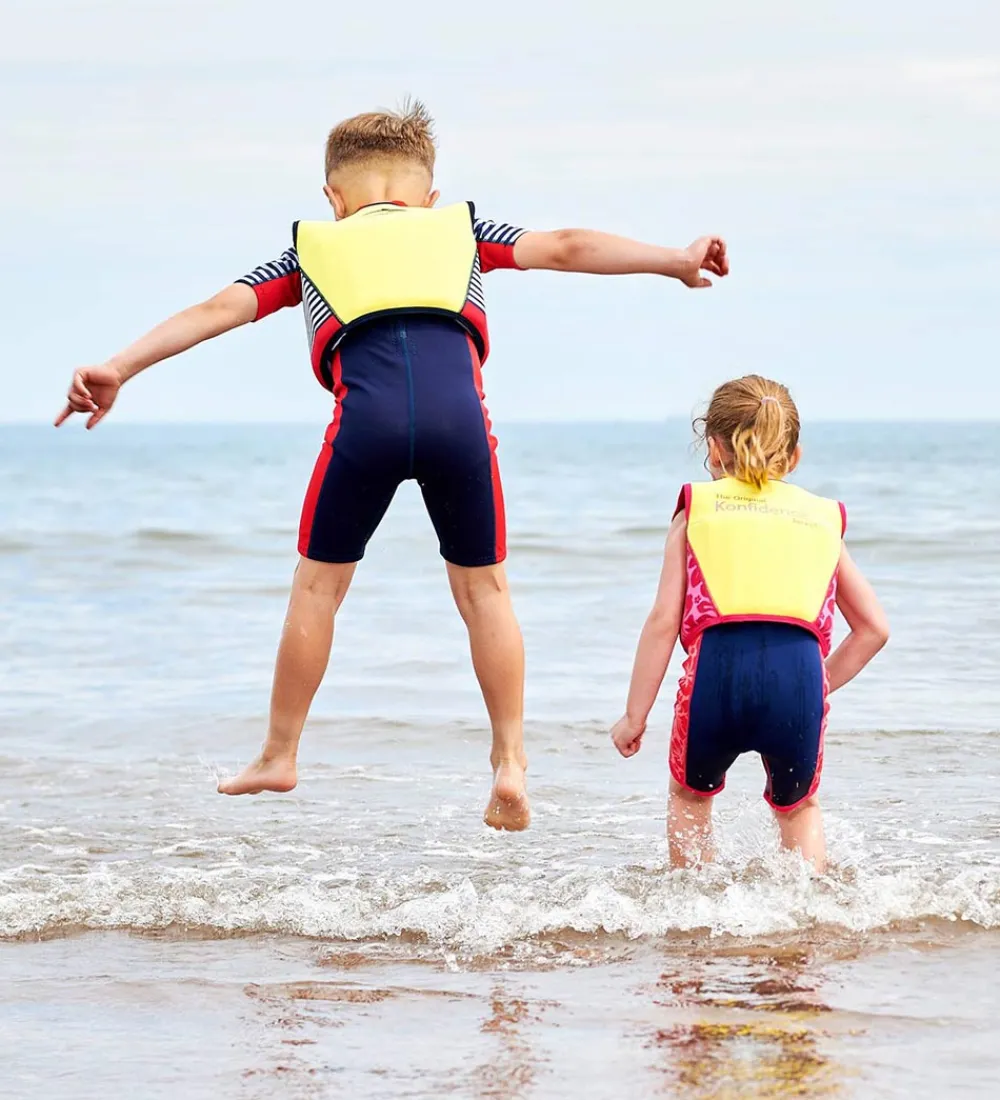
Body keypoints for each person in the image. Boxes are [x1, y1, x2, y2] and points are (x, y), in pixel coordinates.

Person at [55, 101, 729, 831]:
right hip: (460, 427)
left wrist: (118, 365)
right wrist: (674, 260)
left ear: (333, 200)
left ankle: (280, 753)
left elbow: (218, 309)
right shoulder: (466, 232)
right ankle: (509, 761)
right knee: (485, 592)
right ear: (427, 197)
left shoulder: (310, 251)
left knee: (317, 589)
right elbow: (566, 245)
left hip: (365, 424)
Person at [610, 375, 888, 870]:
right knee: (799, 809)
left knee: (691, 799)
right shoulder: (823, 518)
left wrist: (636, 715)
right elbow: (872, 629)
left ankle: (693, 922)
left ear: (713, 448)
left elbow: (662, 622)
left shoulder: (696, 510)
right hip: (798, 678)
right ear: (794, 455)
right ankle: (809, 920)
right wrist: (819, 681)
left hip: (715, 677)